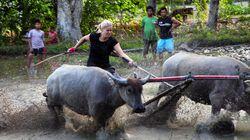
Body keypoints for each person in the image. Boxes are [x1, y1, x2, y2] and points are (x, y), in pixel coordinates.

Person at [67, 20, 134, 74]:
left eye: (111, 30)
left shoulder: (112, 41)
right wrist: (74, 48)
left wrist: (130, 60)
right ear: (102, 30)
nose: (109, 32)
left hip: (105, 67)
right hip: (92, 67)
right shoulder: (94, 36)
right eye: (107, 30)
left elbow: (121, 54)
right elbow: (84, 39)